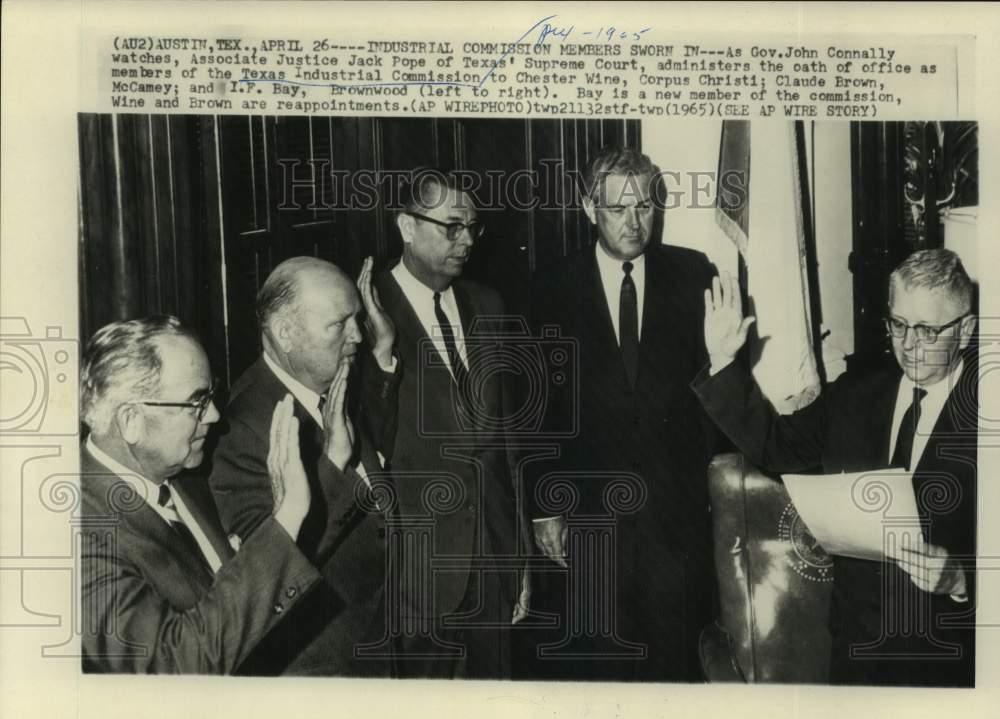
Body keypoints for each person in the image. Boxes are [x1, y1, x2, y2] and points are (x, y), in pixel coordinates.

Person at [695, 248, 977, 686]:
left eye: (927, 330)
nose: (909, 346)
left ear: (965, 330)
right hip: (856, 659)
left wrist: (963, 578)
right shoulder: (856, 394)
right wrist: (723, 362)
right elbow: (776, 446)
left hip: (950, 667)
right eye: (898, 325)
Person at [526, 146, 720, 681]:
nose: (635, 223)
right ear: (591, 209)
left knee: (676, 661)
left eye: (646, 207)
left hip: (674, 515)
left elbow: (714, 396)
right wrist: (545, 506)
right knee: (602, 662)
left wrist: (712, 496)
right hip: (590, 513)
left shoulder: (694, 274)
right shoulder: (549, 288)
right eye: (619, 210)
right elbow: (536, 410)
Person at [79, 315, 322, 674]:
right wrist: (286, 518)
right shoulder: (76, 531)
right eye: (196, 402)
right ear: (131, 420)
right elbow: (173, 664)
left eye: (210, 395)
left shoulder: (186, 476)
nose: (214, 414)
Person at [210, 256, 399, 676]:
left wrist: (384, 352)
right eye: (339, 324)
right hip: (324, 668)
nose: (357, 336)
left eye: (357, 319)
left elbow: (372, 466)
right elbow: (275, 567)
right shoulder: (242, 431)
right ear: (285, 333)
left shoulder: (325, 383)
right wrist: (332, 462)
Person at [370, 168, 523, 678]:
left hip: (493, 558)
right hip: (414, 571)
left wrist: (517, 556)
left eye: (473, 228)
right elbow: (365, 440)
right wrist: (383, 356)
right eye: (451, 226)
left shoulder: (489, 305)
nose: (465, 241)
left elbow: (505, 444)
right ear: (406, 226)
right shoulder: (363, 312)